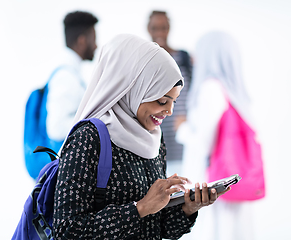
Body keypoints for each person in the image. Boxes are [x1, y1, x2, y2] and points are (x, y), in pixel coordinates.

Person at [52, 34, 230, 239]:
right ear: (132, 88)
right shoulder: (88, 139)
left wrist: (188, 208)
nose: (169, 111)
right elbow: (67, 230)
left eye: (174, 101)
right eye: (163, 101)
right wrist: (140, 208)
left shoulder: (154, 138)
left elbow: (158, 226)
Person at [176, 31, 257, 240]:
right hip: (230, 185)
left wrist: (182, 129)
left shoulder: (210, 89)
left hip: (210, 187)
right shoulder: (236, 93)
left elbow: (203, 145)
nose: (193, 58)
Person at [147, 11, 192, 176]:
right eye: (155, 28)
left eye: (163, 28)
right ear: (148, 29)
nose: (159, 33)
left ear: (169, 28)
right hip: (153, 148)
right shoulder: (144, 61)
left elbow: (195, 97)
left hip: (182, 146)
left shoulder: (184, 59)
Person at [46, 11, 98, 144]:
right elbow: (56, 129)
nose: (96, 46)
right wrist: (95, 121)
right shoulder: (66, 76)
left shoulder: (71, 73)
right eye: (94, 39)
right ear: (82, 41)